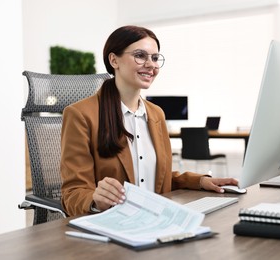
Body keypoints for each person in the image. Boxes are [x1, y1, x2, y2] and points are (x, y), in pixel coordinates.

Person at [60, 25, 239, 217]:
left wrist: (201, 181)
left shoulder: (156, 114)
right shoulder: (80, 115)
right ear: (114, 60)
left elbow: (157, 177)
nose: (151, 65)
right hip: (112, 225)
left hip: (156, 219)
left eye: (155, 58)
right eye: (140, 56)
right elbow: (73, 193)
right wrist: (96, 201)